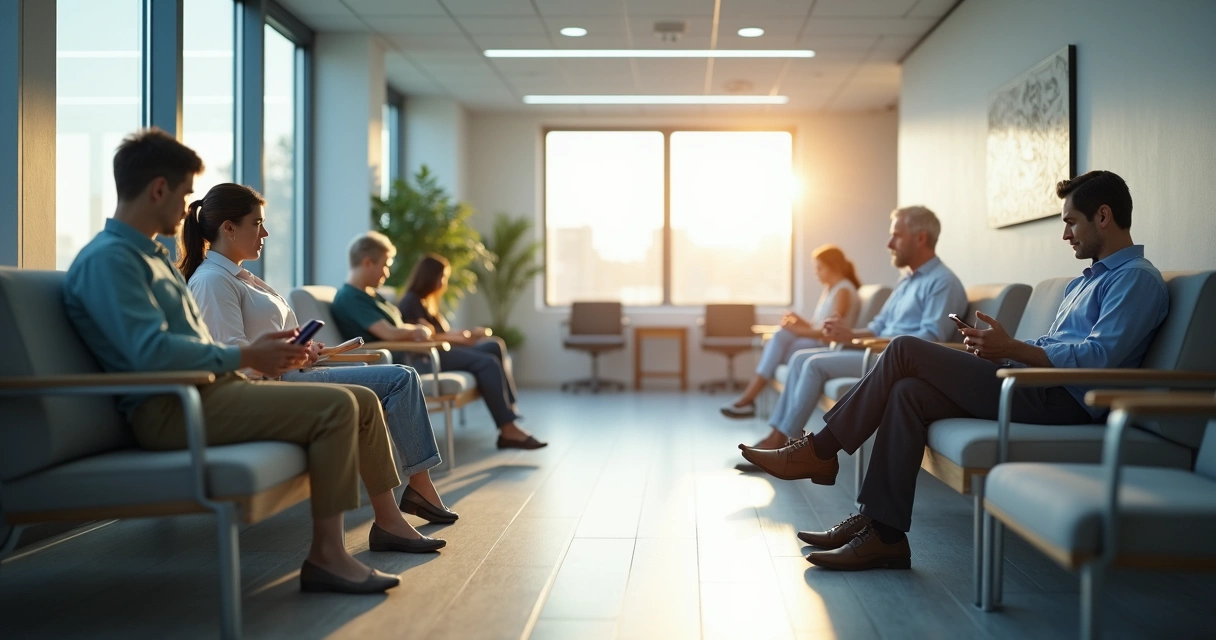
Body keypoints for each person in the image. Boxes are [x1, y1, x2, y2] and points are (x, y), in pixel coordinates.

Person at [63, 129, 442, 596]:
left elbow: (188, 343)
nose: (188, 209)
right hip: (171, 408)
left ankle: (374, 529)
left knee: (361, 400)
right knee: (341, 406)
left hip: (207, 392)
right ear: (158, 189)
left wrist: (263, 352)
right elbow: (149, 354)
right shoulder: (112, 261)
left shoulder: (148, 259)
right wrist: (248, 354)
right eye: (184, 194)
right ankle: (328, 555)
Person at [741, 171, 1168, 571]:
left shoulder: (1136, 280)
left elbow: (1099, 358)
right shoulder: (1085, 281)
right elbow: (1058, 346)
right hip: (1031, 383)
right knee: (908, 390)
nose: (1065, 233)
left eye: (1071, 222)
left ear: (1104, 216)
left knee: (906, 349)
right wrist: (1000, 351)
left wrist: (1014, 348)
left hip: (1065, 401)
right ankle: (884, 534)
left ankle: (821, 450)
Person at [182, 183, 458, 525]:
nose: (265, 232)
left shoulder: (242, 277)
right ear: (229, 227)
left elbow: (258, 343)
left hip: (293, 372)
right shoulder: (211, 281)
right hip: (273, 384)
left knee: (399, 376)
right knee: (399, 378)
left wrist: (304, 349)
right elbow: (232, 356)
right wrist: (287, 354)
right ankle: (416, 492)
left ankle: (414, 494)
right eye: (257, 223)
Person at [745, 206, 968, 450]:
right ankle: (780, 437)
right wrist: (849, 335)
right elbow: (877, 326)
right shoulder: (906, 282)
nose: (889, 243)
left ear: (921, 238)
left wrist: (862, 341)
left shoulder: (943, 283)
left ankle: (781, 446)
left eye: (897, 235)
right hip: (876, 353)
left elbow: (930, 340)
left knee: (813, 364)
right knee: (800, 358)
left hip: (894, 364)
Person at [331, 233, 547, 450]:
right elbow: (389, 334)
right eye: (385, 265)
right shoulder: (350, 297)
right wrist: (417, 330)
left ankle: (508, 417)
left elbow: (397, 329)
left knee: (492, 348)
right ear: (367, 262)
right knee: (487, 363)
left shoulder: (370, 296)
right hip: (409, 360)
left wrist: (415, 331)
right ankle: (508, 430)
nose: (387, 272)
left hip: (417, 352)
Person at [720, 244, 862, 418]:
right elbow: (818, 326)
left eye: (819, 268)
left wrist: (797, 329)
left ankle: (749, 398)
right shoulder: (831, 289)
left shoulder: (843, 291)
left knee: (780, 338)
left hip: (827, 345)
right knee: (780, 336)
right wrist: (800, 321)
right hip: (817, 340)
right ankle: (749, 399)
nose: (816, 273)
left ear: (833, 267)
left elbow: (831, 332)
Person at [397, 253, 520, 416]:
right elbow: (424, 337)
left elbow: (440, 333)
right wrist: (462, 340)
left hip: (442, 351)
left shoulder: (426, 302)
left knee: (494, 344)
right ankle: (507, 416)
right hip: (429, 358)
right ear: (430, 277)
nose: (444, 283)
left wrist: (466, 334)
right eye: (443, 277)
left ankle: (510, 407)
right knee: (488, 361)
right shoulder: (411, 301)